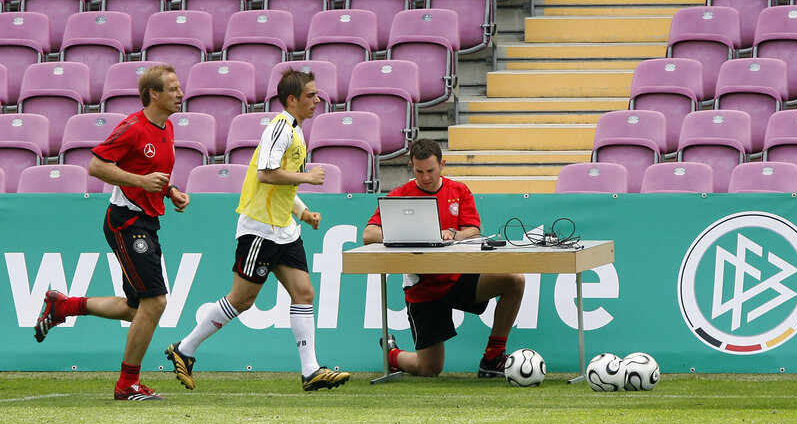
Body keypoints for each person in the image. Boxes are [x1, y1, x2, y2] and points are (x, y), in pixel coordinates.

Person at [165, 68, 350, 392]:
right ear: (292, 99)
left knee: (304, 292)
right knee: (242, 299)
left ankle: (310, 371)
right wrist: (308, 178)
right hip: (261, 228)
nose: (317, 100)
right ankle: (185, 348)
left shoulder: (295, 130)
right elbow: (266, 174)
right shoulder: (280, 128)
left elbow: (281, 184)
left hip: (284, 228)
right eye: (310, 95)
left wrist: (303, 212)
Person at [34, 65, 190, 400]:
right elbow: (97, 166)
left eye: (180, 88)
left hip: (146, 221)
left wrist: (170, 190)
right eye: (174, 88)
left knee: (137, 309)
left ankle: (62, 306)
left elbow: (151, 171)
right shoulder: (133, 127)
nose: (181, 93)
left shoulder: (168, 127)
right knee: (156, 302)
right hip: (126, 222)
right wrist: (141, 183)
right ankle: (127, 385)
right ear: (154, 94)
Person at [362, 138, 526, 377]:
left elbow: (473, 230)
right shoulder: (401, 195)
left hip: (460, 277)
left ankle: (492, 358)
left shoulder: (458, 190)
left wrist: (453, 235)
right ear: (411, 166)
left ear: (442, 164)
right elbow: (369, 234)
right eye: (419, 171)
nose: (425, 177)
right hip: (424, 289)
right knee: (429, 369)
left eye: (430, 170)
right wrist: (410, 234)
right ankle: (392, 354)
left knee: (514, 280)